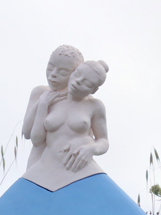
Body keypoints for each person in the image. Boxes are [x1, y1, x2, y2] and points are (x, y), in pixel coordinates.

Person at [23, 60, 109, 192]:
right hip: (48, 163)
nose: (78, 81)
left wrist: (91, 149)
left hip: (80, 166)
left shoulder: (95, 106)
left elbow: (103, 140)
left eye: (87, 83)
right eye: (77, 74)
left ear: (94, 90)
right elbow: (36, 140)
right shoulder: (51, 100)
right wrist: (43, 105)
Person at [22, 45, 84, 171]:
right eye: (50, 68)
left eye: (63, 72)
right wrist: (42, 103)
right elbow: (27, 133)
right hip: (38, 165)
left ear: (76, 74)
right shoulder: (39, 92)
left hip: (69, 168)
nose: (53, 74)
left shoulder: (84, 102)